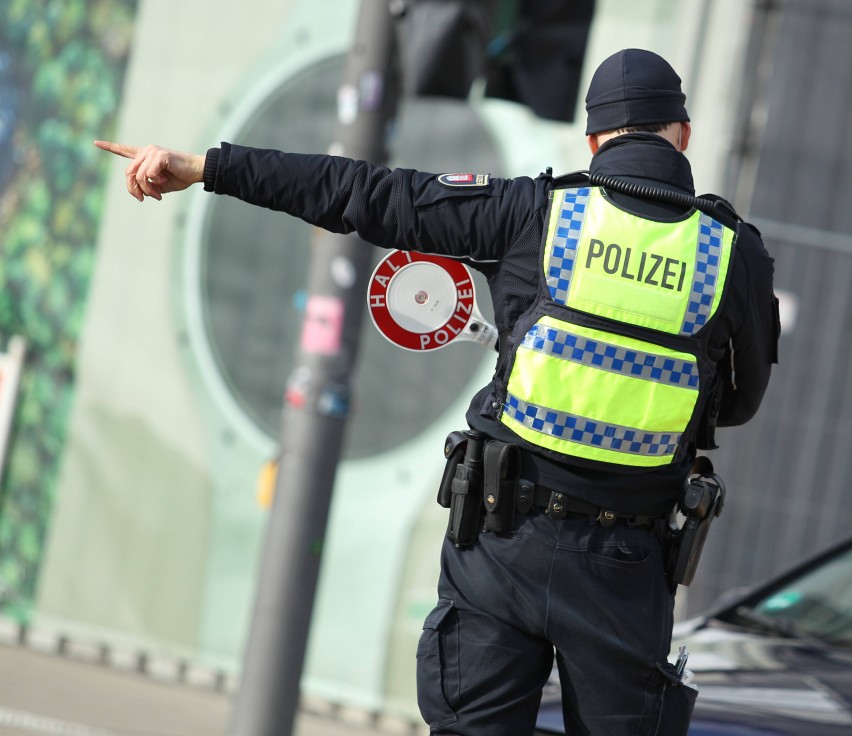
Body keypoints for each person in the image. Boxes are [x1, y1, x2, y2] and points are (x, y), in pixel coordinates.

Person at [98, 48, 778, 735]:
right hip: (626, 567)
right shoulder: (732, 253)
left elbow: (367, 194)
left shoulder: (534, 213)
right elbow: (740, 401)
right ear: (682, 134)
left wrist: (207, 167)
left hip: (502, 542)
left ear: (595, 142)